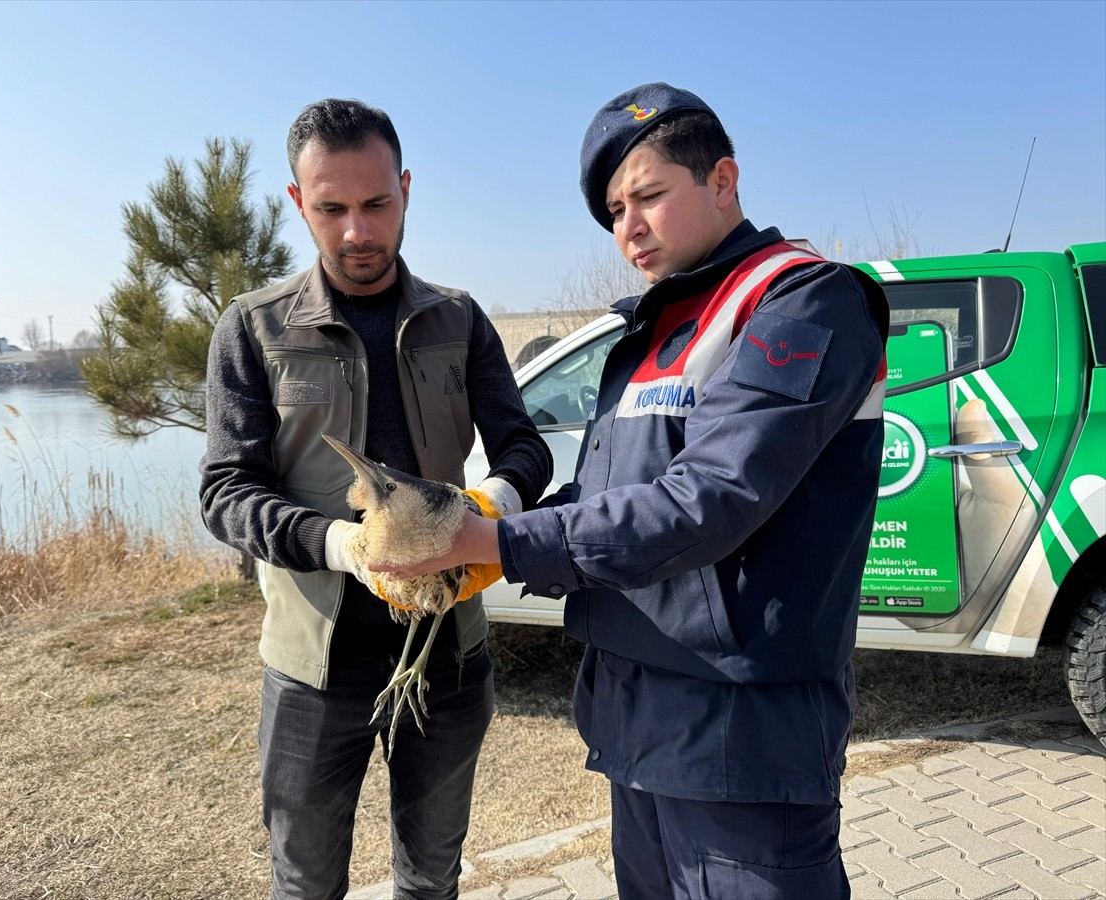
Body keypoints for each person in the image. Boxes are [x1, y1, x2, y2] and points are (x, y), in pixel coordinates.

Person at [376, 82, 889, 898]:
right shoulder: (657, 327)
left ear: (722, 180)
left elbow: (708, 499)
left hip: (741, 738)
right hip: (638, 724)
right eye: (614, 211)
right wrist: (486, 529)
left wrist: (501, 546)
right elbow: (611, 490)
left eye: (649, 196)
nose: (629, 229)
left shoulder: (800, 301)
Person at [198, 97, 553, 900]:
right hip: (310, 668)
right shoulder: (251, 329)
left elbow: (523, 447)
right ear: (298, 202)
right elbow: (226, 492)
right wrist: (344, 548)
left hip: (447, 653)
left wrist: (479, 513)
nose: (358, 231)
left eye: (376, 203)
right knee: (305, 883)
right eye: (331, 208)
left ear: (406, 188)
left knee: (431, 878)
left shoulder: (459, 319)